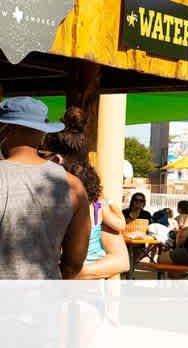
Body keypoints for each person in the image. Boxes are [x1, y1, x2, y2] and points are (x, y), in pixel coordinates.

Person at [0, 97, 91, 280]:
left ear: (6, 129)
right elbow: (74, 263)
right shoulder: (73, 187)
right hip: (48, 303)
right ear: (42, 133)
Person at [41, 106, 128, 280]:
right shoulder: (95, 200)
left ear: (57, 159)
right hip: (89, 292)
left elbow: (121, 261)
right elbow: (120, 255)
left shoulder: (45, 198)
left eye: (42, 154)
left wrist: (65, 274)